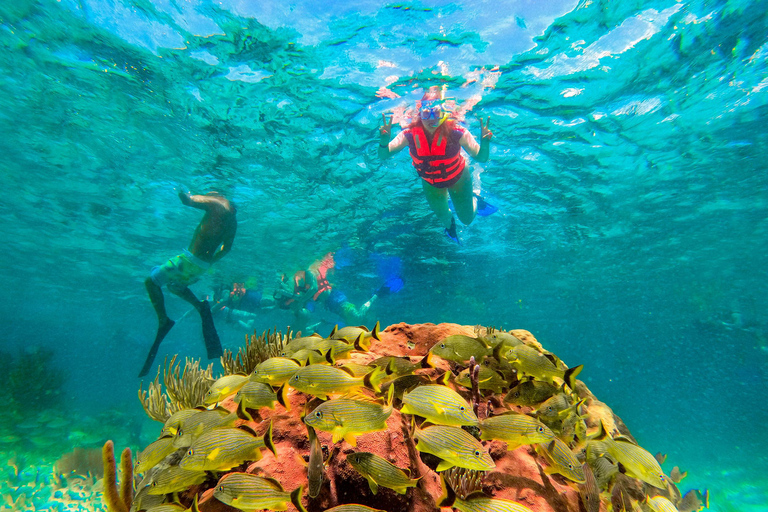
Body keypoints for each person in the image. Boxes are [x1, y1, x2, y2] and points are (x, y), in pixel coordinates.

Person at [378, 85, 494, 244]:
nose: (432, 118)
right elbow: (383, 155)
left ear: (444, 114)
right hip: (431, 183)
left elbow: (481, 157)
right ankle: (450, 227)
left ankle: (475, 199)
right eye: (426, 113)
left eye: (437, 113)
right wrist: (384, 142)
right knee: (445, 218)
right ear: (420, 114)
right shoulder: (409, 135)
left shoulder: (457, 132)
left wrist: (485, 143)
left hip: (459, 178)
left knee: (466, 219)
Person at [139, 190, 237, 378]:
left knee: (151, 282)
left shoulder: (215, 201)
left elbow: (187, 200)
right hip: (202, 266)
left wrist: (180, 189)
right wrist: (209, 261)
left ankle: (164, 320)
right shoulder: (233, 221)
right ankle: (200, 307)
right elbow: (227, 248)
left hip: (189, 259)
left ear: (215, 194)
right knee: (175, 286)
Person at [272, 253, 373, 333]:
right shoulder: (303, 276)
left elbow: (313, 288)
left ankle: (372, 300)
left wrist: (373, 299)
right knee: (354, 319)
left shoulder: (309, 273)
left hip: (333, 299)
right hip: (329, 301)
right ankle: (308, 329)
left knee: (356, 318)